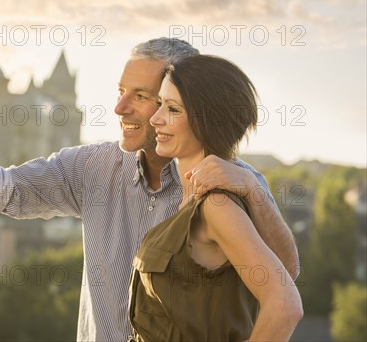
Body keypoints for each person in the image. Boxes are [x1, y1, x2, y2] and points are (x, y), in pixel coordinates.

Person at [0, 38, 299, 342]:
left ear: (187, 101)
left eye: (140, 95)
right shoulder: (91, 168)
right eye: (121, 91)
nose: (119, 107)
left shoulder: (231, 185)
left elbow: (285, 281)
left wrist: (255, 190)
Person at [129, 55, 303, 341]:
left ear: (207, 120)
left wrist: (251, 187)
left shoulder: (215, 205)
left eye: (172, 109)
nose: (155, 118)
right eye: (160, 104)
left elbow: (285, 305)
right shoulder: (192, 199)